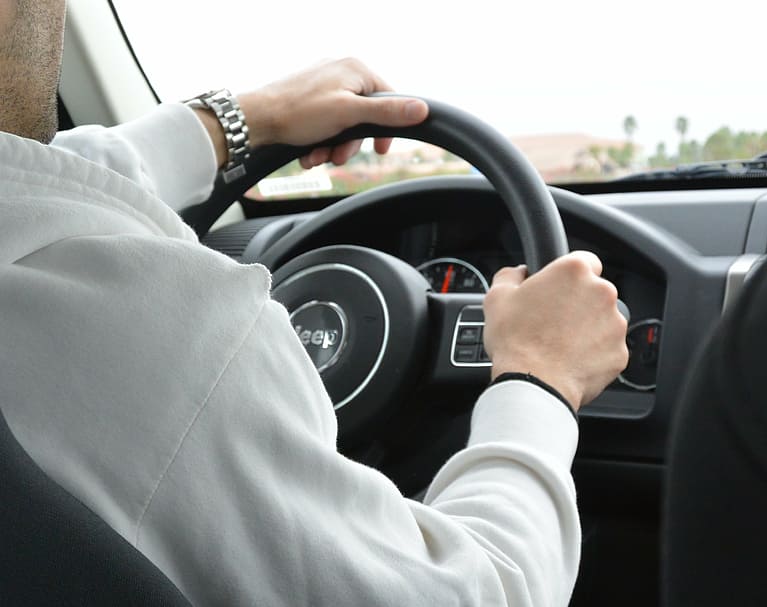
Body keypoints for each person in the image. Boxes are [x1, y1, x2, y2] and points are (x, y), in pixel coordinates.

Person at [0, 1, 629, 605]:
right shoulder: (167, 337)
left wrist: (245, 119)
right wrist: (541, 377)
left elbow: (36, 190)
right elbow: (481, 594)